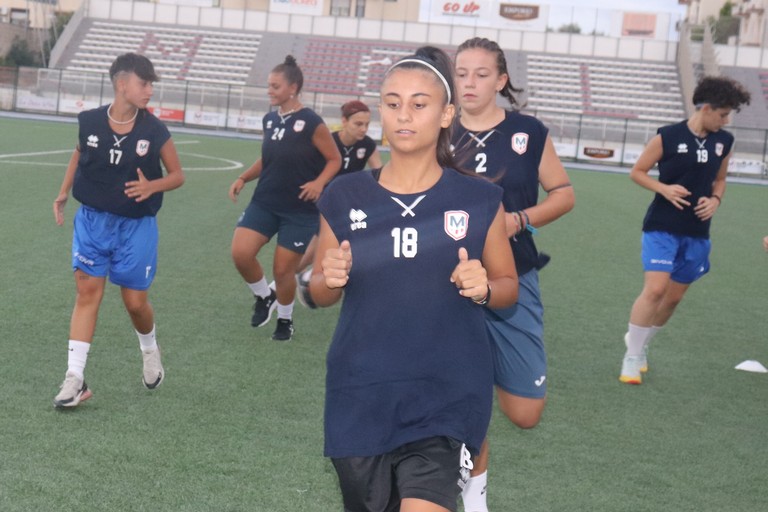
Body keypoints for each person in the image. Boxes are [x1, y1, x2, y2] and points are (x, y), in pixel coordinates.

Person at [310, 46, 518, 512]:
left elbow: (508, 290)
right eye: (392, 102)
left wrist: (484, 287)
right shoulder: (344, 196)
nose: (404, 114)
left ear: (446, 114)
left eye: (419, 104)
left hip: (445, 394)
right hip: (360, 394)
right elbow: (321, 293)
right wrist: (328, 277)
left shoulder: (480, 200)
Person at [451, 37, 575, 511]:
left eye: (481, 74)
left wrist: (518, 220)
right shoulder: (437, 128)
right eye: (462, 72)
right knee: (468, 389)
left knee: (525, 413)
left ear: (501, 81)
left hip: (514, 276)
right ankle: (475, 497)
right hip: (447, 283)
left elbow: (564, 193)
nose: (470, 82)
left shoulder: (529, 131)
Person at [51, 53, 185, 408]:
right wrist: (64, 192)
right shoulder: (91, 121)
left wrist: (151, 188)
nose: (150, 90)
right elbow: (78, 155)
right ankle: (75, 378)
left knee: (135, 302)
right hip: (93, 222)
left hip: (135, 226)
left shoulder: (154, 130)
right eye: (145, 83)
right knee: (86, 292)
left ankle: (150, 349)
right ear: (122, 83)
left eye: (152, 84)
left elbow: (177, 175)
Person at [619, 75, 750, 385]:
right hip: (662, 227)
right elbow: (637, 172)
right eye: (722, 113)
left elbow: (720, 179)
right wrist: (663, 189)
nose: (726, 119)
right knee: (655, 290)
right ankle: (631, 357)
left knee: (673, 300)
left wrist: (716, 199)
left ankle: (641, 346)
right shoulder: (668, 136)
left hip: (698, 232)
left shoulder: (724, 141)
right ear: (705, 108)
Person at [228, 55, 341, 341]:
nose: (270, 91)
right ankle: (264, 297)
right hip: (265, 201)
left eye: (275, 86)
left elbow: (334, 159)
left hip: (299, 210)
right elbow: (267, 159)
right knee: (240, 253)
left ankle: (285, 320)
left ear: (292, 88)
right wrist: (243, 178)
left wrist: (319, 182)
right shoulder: (270, 119)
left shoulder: (311, 121)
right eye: (269, 85)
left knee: (283, 269)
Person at [295, 100, 382, 309]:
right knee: (308, 256)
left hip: (350, 209)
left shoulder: (367, 145)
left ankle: (293, 283)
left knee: (330, 253)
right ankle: (282, 285)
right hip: (323, 206)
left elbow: (380, 173)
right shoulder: (329, 142)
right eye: (358, 124)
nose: (363, 129)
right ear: (344, 121)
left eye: (366, 124)